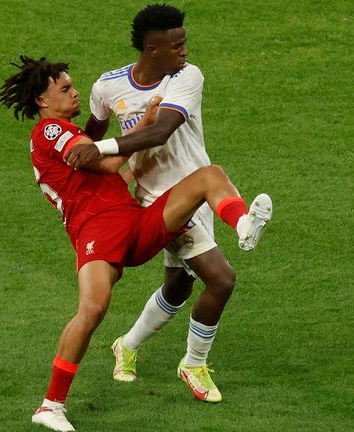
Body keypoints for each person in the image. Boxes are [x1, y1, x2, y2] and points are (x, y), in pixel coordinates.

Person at [0, 55, 272, 432]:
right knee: (93, 309)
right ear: (43, 102)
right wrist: (144, 126)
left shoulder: (69, 134)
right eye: (65, 89)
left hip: (132, 219)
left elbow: (112, 178)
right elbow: (107, 165)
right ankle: (50, 406)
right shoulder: (48, 132)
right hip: (97, 233)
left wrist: (138, 154)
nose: (76, 93)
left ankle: (243, 225)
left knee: (208, 176)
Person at [80, 3, 244, 404]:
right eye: (177, 45)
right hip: (159, 201)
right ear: (153, 49)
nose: (185, 51)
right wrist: (85, 164)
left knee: (178, 285)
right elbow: (89, 137)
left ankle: (127, 345)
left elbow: (161, 131)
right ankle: (194, 363)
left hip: (198, 191)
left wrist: (101, 147)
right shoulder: (107, 87)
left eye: (184, 42)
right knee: (221, 280)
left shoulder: (186, 77)